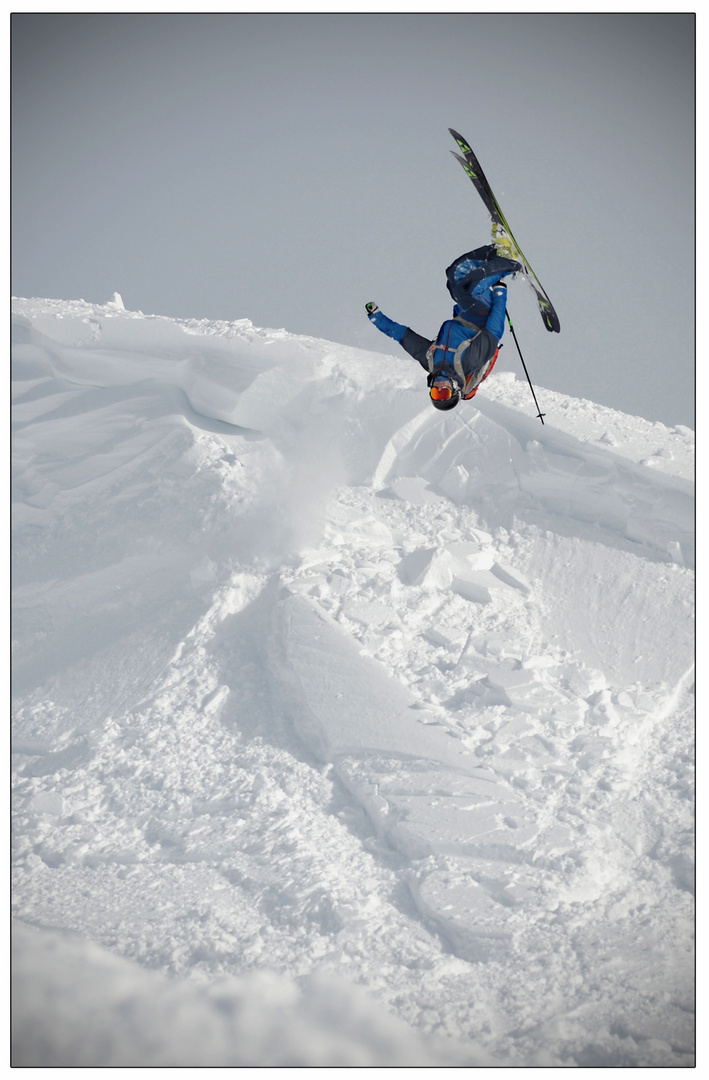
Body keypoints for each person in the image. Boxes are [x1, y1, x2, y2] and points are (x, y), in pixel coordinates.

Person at [365, 244, 521, 410]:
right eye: (444, 393)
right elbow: (495, 330)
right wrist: (500, 292)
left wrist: (377, 317)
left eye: (436, 393)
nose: (440, 387)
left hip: (465, 313)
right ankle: (511, 261)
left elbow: (402, 336)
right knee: (467, 291)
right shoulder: (469, 362)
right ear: (454, 389)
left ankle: (495, 252)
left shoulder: (430, 360)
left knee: (454, 274)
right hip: (483, 315)